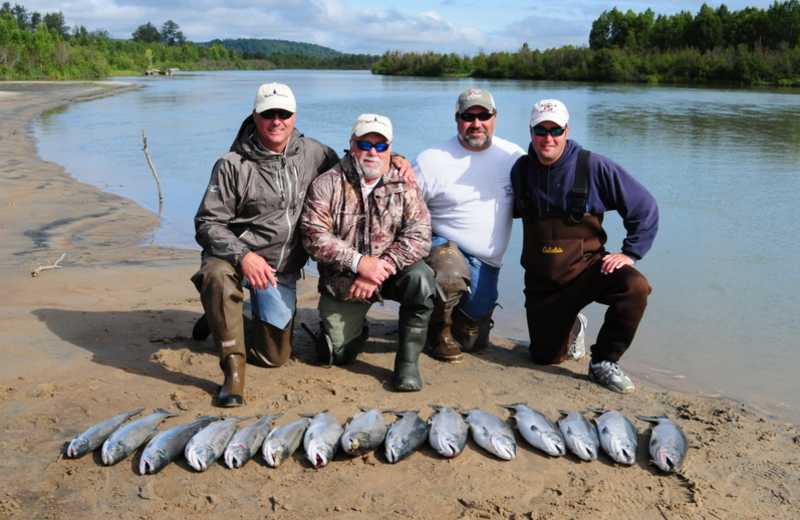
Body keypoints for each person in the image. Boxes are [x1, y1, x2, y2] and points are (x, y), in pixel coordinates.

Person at [191, 83, 410, 407]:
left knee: (274, 356)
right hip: (235, 257)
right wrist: (244, 256)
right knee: (217, 276)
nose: (276, 120)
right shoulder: (232, 164)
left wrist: (395, 160)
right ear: (255, 116)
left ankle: (220, 316)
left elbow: (356, 166)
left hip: (280, 269)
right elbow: (207, 223)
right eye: (268, 114)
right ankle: (233, 374)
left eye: (284, 113)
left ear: (294, 117)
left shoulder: (316, 153)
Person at [510, 99, 658, 394]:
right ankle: (572, 326)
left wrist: (631, 252)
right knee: (545, 358)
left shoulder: (594, 166)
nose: (548, 138)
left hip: (589, 271)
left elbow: (644, 206)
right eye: (541, 130)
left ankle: (603, 360)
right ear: (530, 131)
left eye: (555, 130)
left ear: (567, 131)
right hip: (543, 284)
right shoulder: (520, 170)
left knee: (635, 287)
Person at [300, 114, 435, 392]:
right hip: (345, 282)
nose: (372, 152)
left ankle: (407, 363)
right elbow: (313, 236)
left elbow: (420, 236)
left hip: (391, 273)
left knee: (422, 278)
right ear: (352, 145)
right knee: (335, 356)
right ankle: (354, 332)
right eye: (365, 144)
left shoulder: (405, 185)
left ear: (390, 149)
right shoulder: (328, 183)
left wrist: (378, 268)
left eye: (381, 146)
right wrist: (359, 263)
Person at [411, 88, 524, 363]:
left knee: (471, 342)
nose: (476, 123)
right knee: (449, 274)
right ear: (457, 118)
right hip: (444, 247)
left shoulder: (515, 157)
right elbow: (400, 209)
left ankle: (436, 318)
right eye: (468, 116)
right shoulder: (431, 160)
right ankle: (438, 330)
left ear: (495, 117)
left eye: (483, 115)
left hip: (488, 263)